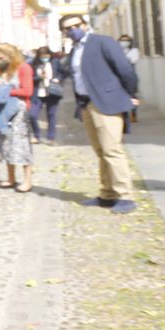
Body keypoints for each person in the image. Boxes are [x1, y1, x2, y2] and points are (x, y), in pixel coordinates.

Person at [60, 14, 139, 213]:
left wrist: (129, 94)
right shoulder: (74, 50)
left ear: (85, 25)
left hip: (107, 102)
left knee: (112, 150)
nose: (73, 30)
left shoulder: (102, 42)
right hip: (86, 103)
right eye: (68, 28)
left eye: (77, 25)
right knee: (101, 151)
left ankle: (125, 196)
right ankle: (107, 193)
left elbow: (124, 69)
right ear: (64, 32)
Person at [0, 43, 34, 193]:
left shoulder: (23, 68)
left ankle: (27, 180)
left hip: (18, 112)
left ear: (11, 56)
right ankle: (11, 177)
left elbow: (27, 90)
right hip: (2, 111)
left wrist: (6, 91)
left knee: (21, 145)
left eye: (1, 57)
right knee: (5, 143)